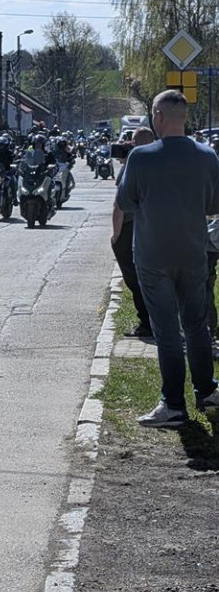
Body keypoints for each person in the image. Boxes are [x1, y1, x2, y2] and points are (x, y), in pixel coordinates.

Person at [117, 90, 219, 427]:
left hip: (152, 254)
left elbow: (127, 202)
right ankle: (207, 392)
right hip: (193, 252)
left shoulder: (141, 157)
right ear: (185, 117)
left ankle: (173, 405)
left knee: (167, 331)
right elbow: (213, 206)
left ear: (157, 117)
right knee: (196, 325)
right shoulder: (207, 156)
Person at [112, 127, 154, 338]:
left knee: (134, 277)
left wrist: (116, 236)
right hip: (156, 226)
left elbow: (119, 205)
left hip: (131, 227)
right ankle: (157, 322)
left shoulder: (133, 162)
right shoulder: (160, 160)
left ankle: (146, 324)